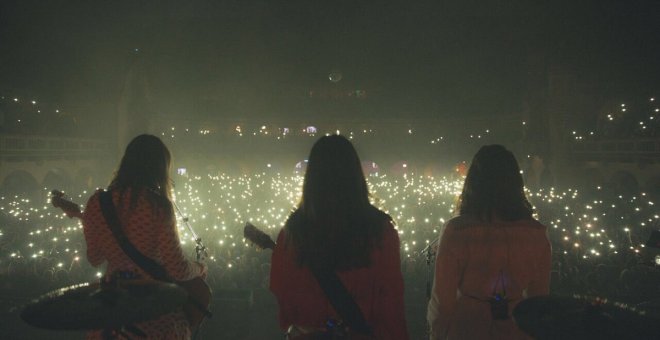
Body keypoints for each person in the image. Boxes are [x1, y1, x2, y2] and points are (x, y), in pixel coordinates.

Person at [270, 135, 409, 340]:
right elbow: (392, 308)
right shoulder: (380, 234)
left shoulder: (291, 235)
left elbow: (285, 308)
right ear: (356, 176)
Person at [82, 134, 206, 339]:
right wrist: (200, 268)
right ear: (159, 168)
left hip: (113, 308)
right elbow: (177, 268)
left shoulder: (97, 202)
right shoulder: (157, 205)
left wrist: (92, 225)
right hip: (153, 310)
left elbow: (94, 258)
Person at [427, 144, 552, 340]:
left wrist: (439, 333)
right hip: (516, 329)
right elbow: (539, 300)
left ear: (473, 183)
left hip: (467, 329)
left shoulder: (458, 231)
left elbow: (443, 302)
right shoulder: (535, 233)